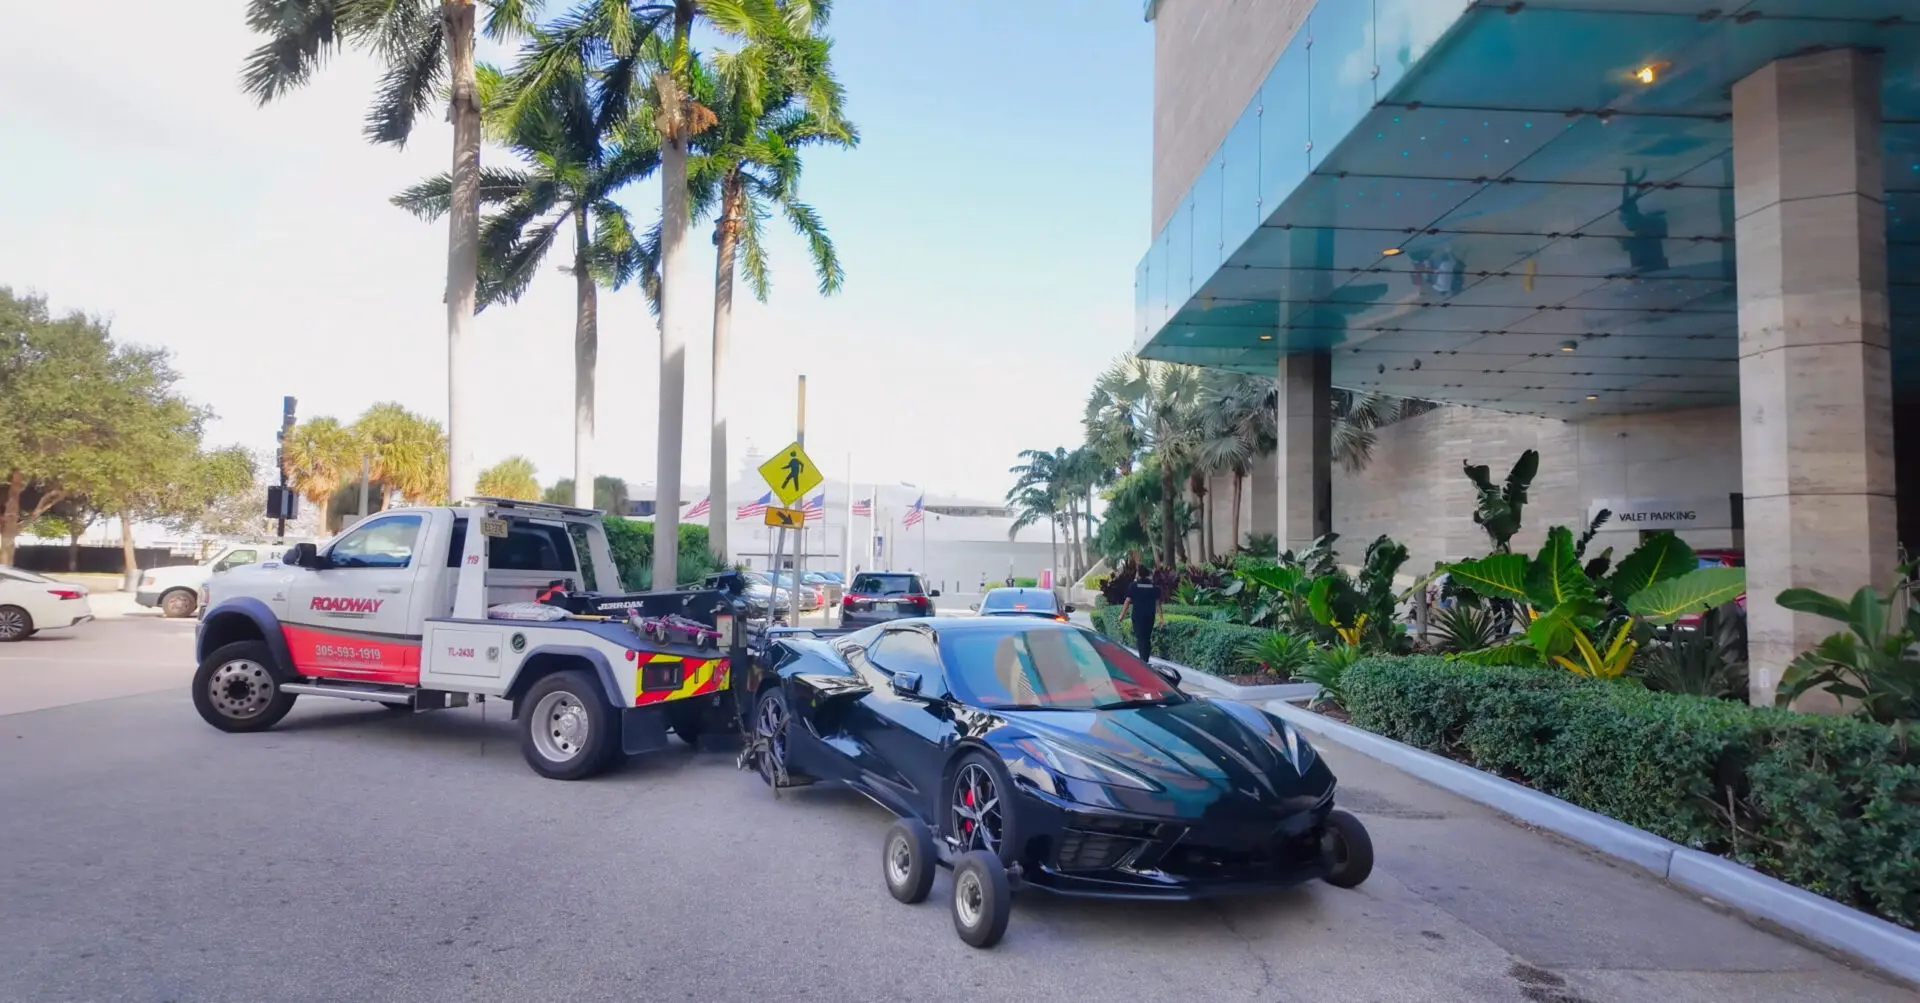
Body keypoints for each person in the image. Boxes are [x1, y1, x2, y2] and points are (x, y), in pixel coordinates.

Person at [1117, 553, 1164, 664]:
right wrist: (1161, 618)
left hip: (1138, 616)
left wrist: (1121, 616)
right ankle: (1145, 659)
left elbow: (1127, 601)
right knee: (1146, 638)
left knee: (1140, 637)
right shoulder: (1153, 587)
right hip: (1150, 616)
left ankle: (1143, 660)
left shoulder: (1133, 586)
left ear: (1138, 574)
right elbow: (1158, 604)